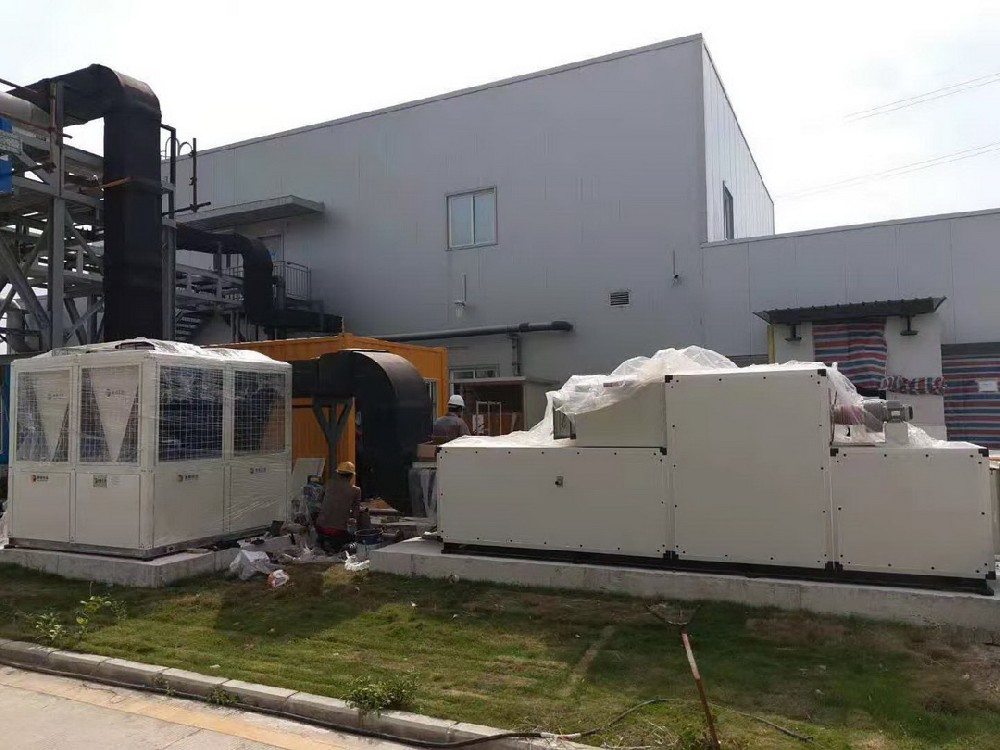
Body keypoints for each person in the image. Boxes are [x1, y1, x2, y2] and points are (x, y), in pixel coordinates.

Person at [315, 461, 362, 553]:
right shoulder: (356, 490)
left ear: (338, 474)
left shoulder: (328, 484)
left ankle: (323, 544)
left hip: (320, 527)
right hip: (338, 530)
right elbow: (356, 514)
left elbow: (319, 501)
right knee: (356, 540)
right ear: (352, 476)